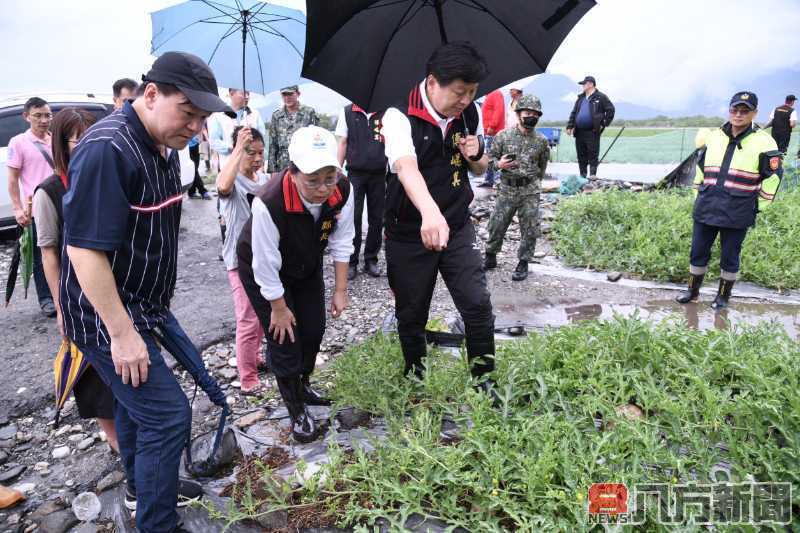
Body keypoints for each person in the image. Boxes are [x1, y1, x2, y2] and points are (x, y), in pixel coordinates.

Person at [61, 51, 234, 533]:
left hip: (146, 306)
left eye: (203, 118)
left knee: (136, 405)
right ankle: (157, 523)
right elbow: (84, 251)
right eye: (189, 113)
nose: (196, 128)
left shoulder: (163, 145)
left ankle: (141, 486)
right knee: (167, 414)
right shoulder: (108, 150)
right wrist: (121, 334)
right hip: (107, 316)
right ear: (151, 94)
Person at [378, 42, 496, 390]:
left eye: (472, 92)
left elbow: (479, 168)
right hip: (410, 231)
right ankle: (416, 377)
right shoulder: (399, 115)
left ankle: (484, 380)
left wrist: (476, 154)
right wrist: (430, 213)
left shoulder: (467, 114)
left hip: (457, 224)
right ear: (432, 82)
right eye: (460, 92)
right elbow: (405, 167)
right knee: (412, 312)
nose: (465, 100)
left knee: (476, 304)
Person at [237, 125, 354, 443]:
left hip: (306, 262)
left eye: (329, 178)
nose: (322, 188)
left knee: (314, 328)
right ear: (292, 172)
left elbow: (343, 241)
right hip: (264, 269)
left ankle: (304, 384)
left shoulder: (342, 189)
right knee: (284, 335)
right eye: (313, 180)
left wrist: (340, 290)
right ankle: (295, 407)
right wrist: (278, 306)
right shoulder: (269, 202)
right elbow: (264, 264)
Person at [31, 108, 120, 453]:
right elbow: (49, 254)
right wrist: (61, 307)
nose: (87, 146)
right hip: (78, 298)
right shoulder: (49, 192)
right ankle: (115, 443)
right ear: (62, 145)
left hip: (113, 288)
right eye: (78, 140)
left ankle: (131, 433)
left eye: (91, 137)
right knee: (94, 374)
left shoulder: (100, 180)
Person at [676, 91, 783, 309]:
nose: (739, 114)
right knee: (697, 251)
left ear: (755, 113)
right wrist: (699, 194)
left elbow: (773, 178)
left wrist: (757, 206)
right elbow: (700, 168)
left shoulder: (765, 142)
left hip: (738, 209)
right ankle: (692, 291)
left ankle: (723, 296)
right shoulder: (715, 136)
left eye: (745, 111)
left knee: (729, 256)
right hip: (707, 205)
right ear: (729, 110)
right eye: (735, 109)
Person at [216, 126, 271, 395]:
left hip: (264, 259)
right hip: (240, 261)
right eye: (251, 153)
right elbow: (222, 186)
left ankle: (254, 357)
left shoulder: (263, 179)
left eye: (261, 153)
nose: (258, 159)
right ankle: (247, 378)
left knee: (261, 314)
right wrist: (239, 146)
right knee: (248, 319)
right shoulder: (233, 180)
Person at [483, 94, 550, 282]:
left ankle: (523, 262)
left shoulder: (541, 141)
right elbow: (488, 161)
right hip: (507, 188)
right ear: (519, 113)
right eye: (528, 112)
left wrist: (534, 183)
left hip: (529, 190)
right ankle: (490, 256)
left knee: (529, 227)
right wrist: (499, 165)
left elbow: (542, 167)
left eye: (535, 114)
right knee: (497, 224)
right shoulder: (503, 136)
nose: (531, 116)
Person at [6, 97, 56, 317]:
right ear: (26, 117)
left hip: (61, 206)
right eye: (38, 115)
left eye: (47, 115)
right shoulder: (18, 142)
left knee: (65, 251)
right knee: (41, 255)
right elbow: (12, 179)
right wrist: (17, 209)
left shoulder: (56, 139)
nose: (44, 120)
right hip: (36, 209)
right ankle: (46, 299)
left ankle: (65, 293)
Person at [335, 103, 388, 280]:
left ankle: (371, 260)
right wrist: (337, 170)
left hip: (379, 173)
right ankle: (351, 261)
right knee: (352, 217)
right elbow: (342, 141)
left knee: (377, 218)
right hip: (355, 174)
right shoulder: (348, 112)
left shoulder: (385, 111)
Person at [566, 75, 615, 179]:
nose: (583, 86)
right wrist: (570, 126)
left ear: (591, 84)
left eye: (584, 84)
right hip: (579, 131)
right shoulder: (580, 98)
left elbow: (610, 109)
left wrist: (604, 123)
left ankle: (592, 175)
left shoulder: (600, 97)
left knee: (593, 154)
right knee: (581, 154)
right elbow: (574, 112)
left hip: (592, 131)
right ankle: (582, 176)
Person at [207, 88, 266, 169]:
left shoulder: (255, 114)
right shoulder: (219, 115)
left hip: (252, 168)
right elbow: (213, 141)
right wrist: (234, 147)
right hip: (229, 166)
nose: (247, 97)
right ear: (231, 94)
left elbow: (262, 138)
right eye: (243, 93)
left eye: (248, 93)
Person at [267, 85, 319, 173]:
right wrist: (272, 170)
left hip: (304, 163)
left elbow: (316, 140)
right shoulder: (277, 116)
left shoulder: (309, 112)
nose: (287, 98)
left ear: (298, 94)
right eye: (284, 95)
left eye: (290, 94)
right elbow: (273, 145)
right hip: (283, 165)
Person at [476, 88, 505, 188]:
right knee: (489, 156)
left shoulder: (496, 93)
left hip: (494, 132)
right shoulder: (489, 96)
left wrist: (492, 126)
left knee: (494, 156)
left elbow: (499, 111)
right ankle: (489, 180)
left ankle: (497, 180)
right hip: (488, 132)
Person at [186, 134, 210, 199]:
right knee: (193, 170)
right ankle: (203, 191)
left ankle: (191, 192)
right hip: (186, 148)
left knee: (195, 169)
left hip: (195, 145)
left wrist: (200, 138)